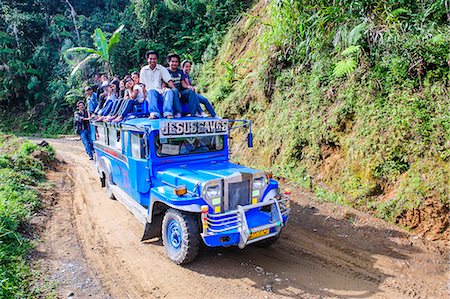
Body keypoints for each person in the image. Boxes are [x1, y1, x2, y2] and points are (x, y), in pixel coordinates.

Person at [139, 50, 175, 119]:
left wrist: (174, 89)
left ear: (157, 60)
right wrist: (143, 97)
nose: (152, 61)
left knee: (169, 91)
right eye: (151, 59)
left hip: (160, 93)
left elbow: (168, 80)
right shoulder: (143, 70)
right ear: (147, 59)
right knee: (151, 91)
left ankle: (168, 113)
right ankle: (154, 113)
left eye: (154, 59)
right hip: (150, 94)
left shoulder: (161, 68)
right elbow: (142, 85)